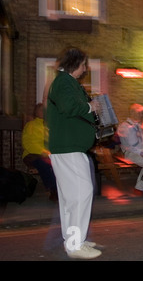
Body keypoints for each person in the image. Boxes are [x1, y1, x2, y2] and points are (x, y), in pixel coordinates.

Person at [46, 47, 102, 259]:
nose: (85, 69)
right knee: (81, 194)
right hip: (68, 147)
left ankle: (74, 240)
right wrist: (90, 107)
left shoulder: (64, 82)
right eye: (83, 64)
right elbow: (69, 107)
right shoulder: (64, 82)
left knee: (72, 197)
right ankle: (75, 245)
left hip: (69, 147)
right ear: (75, 64)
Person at [22, 103, 58, 201]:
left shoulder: (51, 125)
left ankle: (63, 189)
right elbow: (28, 144)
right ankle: (53, 190)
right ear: (36, 112)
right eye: (41, 110)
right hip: (32, 154)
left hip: (49, 154)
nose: (43, 112)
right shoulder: (31, 125)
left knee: (60, 163)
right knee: (44, 163)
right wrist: (44, 152)